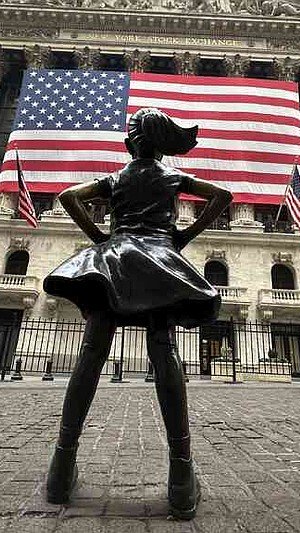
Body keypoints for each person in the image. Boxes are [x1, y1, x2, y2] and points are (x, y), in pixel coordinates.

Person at [43, 108, 232, 519]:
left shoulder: (117, 178)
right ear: (162, 144)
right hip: (158, 261)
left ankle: (61, 467)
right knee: (164, 353)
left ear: (131, 142)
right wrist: (181, 236)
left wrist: (99, 238)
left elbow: (68, 197)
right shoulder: (170, 177)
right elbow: (223, 197)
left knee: (91, 354)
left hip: (114, 259)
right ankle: (181, 478)